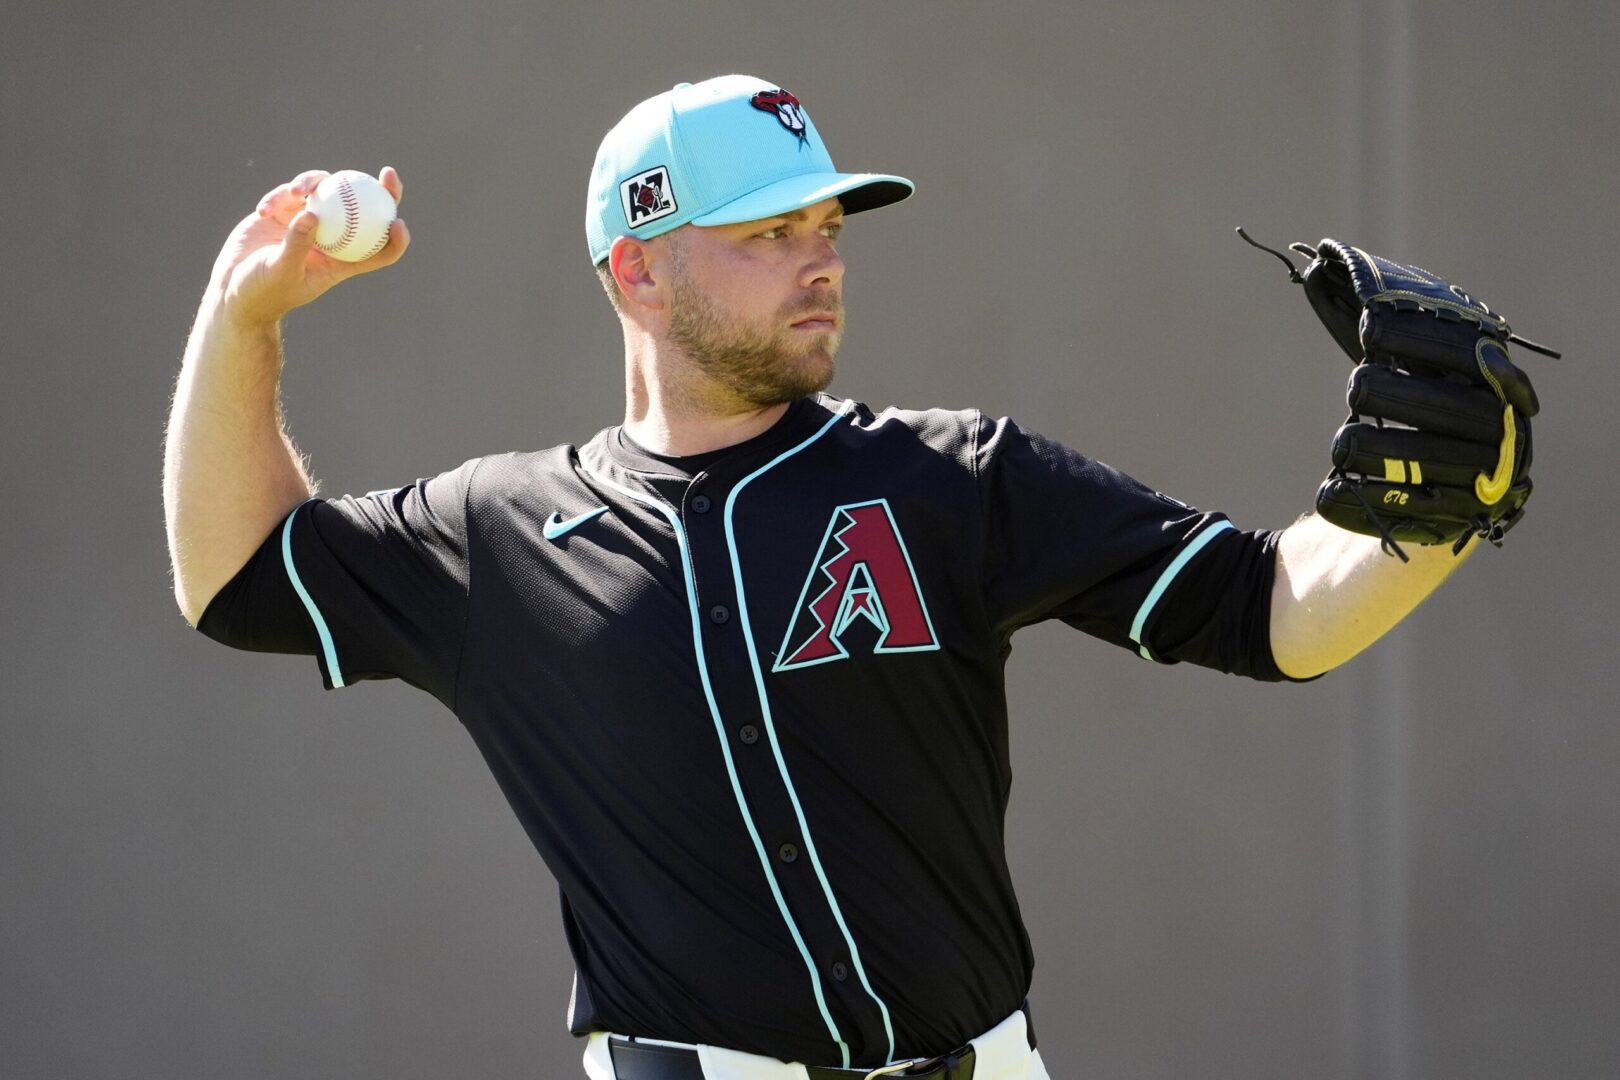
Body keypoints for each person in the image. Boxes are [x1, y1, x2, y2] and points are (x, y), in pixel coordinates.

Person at [163, 75, 1496, 1080]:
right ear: (638, 269)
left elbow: (1273, 613)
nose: (820, 257)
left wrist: (1428, 525)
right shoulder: (502, 536)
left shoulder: (954, 479)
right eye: (765, 231)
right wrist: (245, 311)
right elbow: (231, 575)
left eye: (826, 223)